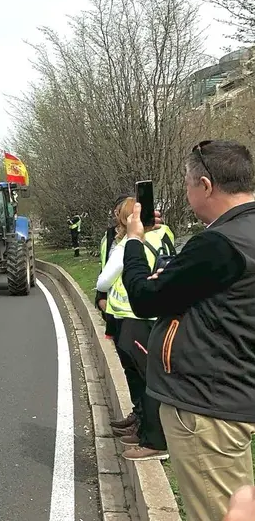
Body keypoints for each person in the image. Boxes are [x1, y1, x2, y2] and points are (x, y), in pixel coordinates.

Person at [122, 139, 255, 521]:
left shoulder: (219, 244)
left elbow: (145, 297)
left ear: (206, 186)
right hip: (234, 393)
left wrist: (134, 240)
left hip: (205, 407)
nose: (186, 191)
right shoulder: (241, 234)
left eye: (187, 183)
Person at [96, 196, 174, 461]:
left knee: (146, 379)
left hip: (135, 316)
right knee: (145, 376)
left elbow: (104, 279)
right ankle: (144, 428)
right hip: (146, 316)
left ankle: (155, 441)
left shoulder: (133, 241)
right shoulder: (163, 232)